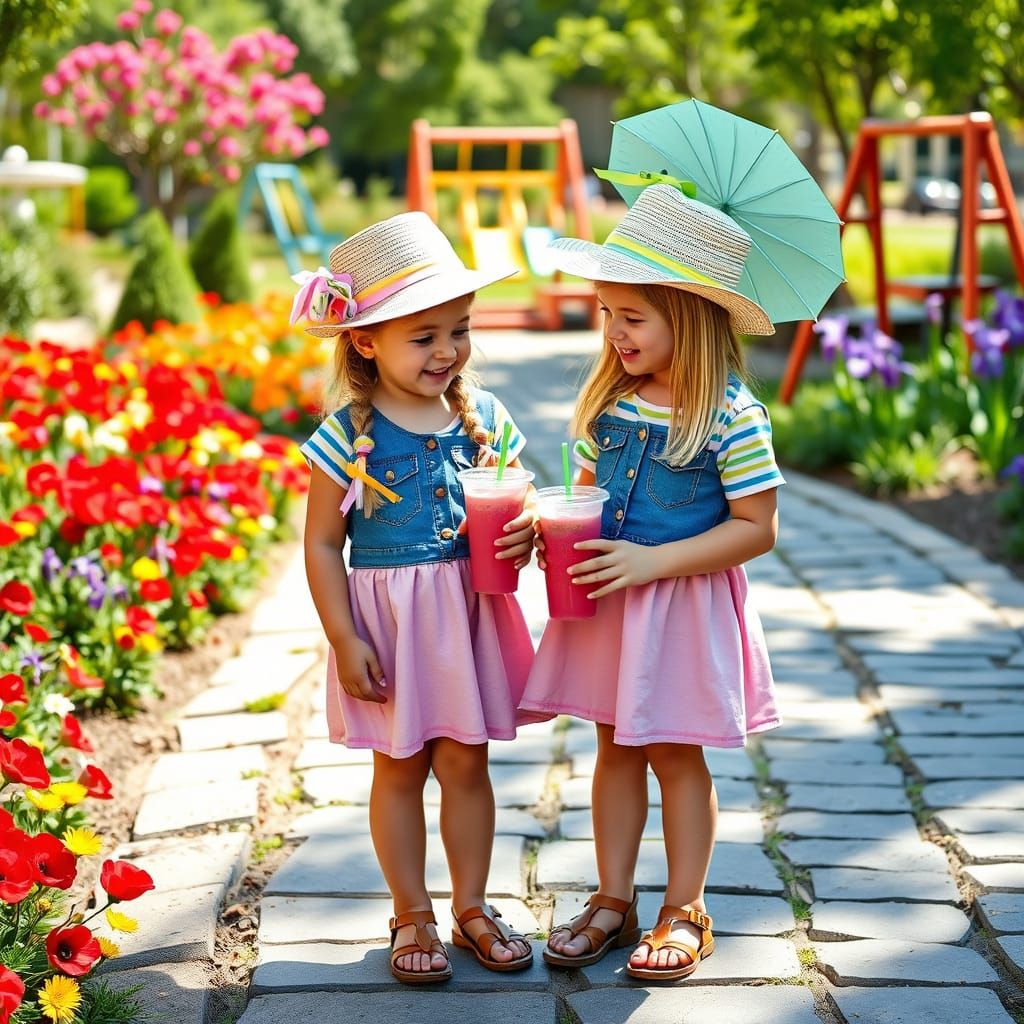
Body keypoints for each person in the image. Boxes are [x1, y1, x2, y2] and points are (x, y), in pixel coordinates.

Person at [518, 183, 784, 981]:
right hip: (609, 601)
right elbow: (588, 497)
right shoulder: (612, 404)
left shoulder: (732, 416)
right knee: (612, 746)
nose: (613, 332)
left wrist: (653, 562)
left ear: (689, 317)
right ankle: (613, 898)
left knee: (673, 752)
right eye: (607, 313)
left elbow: (756, 527)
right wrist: (550, 537)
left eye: (631, 317)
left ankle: (685, 908)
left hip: (678, 605)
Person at [296, 212, 536, 984]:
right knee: (399, 769)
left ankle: (472, 906)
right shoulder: (346, 435)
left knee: (467, 763)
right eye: (423, 336)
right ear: (366, 341)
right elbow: (321, 544)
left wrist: (524, 532)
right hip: (391, 627)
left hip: (465, 616)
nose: (446, 351)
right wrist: (343, 637)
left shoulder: (484, 418)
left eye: (458, 330)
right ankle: (411, 911)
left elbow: (518, 503)